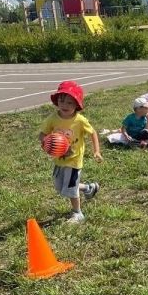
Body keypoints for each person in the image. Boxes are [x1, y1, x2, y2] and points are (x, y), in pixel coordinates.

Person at [39, 80, 102, 224]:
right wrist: (46, 142)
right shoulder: (53, 119)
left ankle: (78, 213)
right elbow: (42, 134)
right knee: (60, 188)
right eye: (62, 101)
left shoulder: (80, 120)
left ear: (76, 105)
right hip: (58, 160)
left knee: (70, 189)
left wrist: (97, 151)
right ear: (57, 102)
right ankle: (88, 188)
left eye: (70, 103)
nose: (65, 105)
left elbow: (93, 133)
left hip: (74, 161)